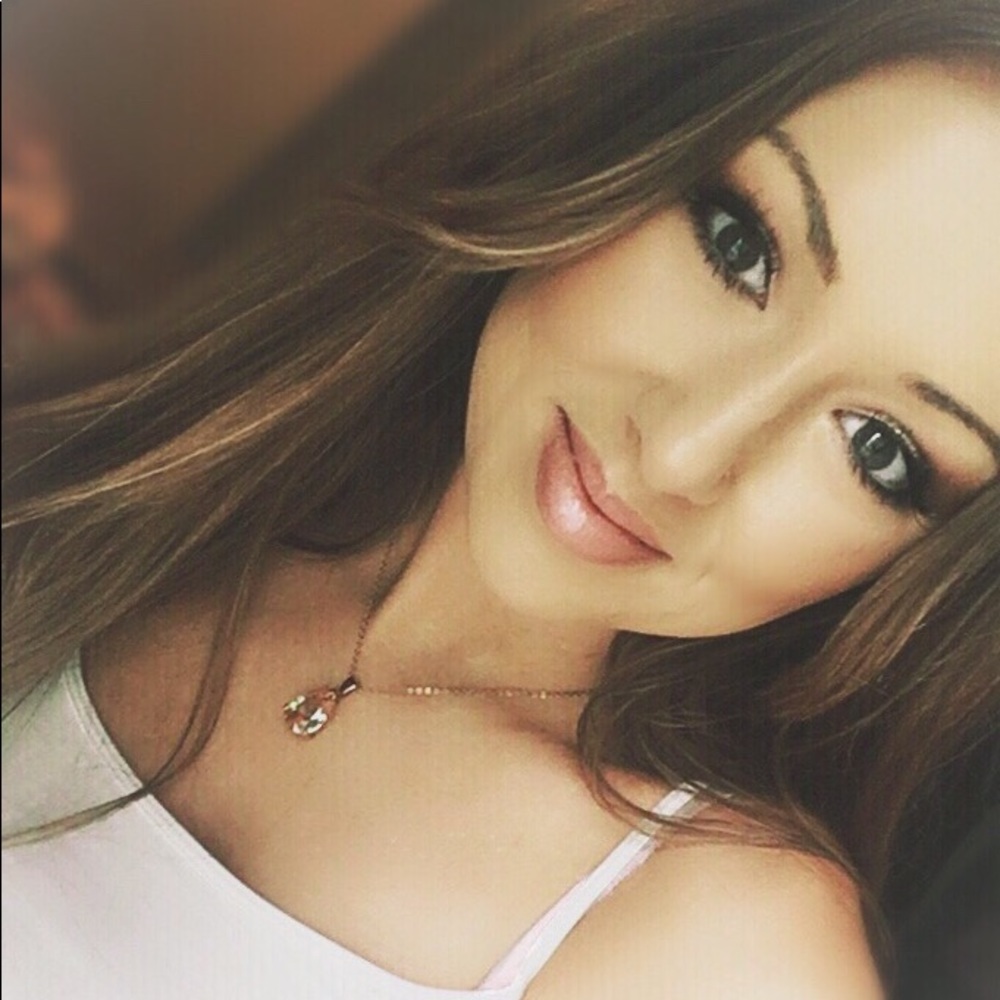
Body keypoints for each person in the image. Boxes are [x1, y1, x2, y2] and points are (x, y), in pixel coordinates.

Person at [3, 1, 998, 997]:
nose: (682, 454)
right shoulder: (168, 445)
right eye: (739, 246)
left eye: (878, 450)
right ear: (631, 133)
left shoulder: (726, 953)